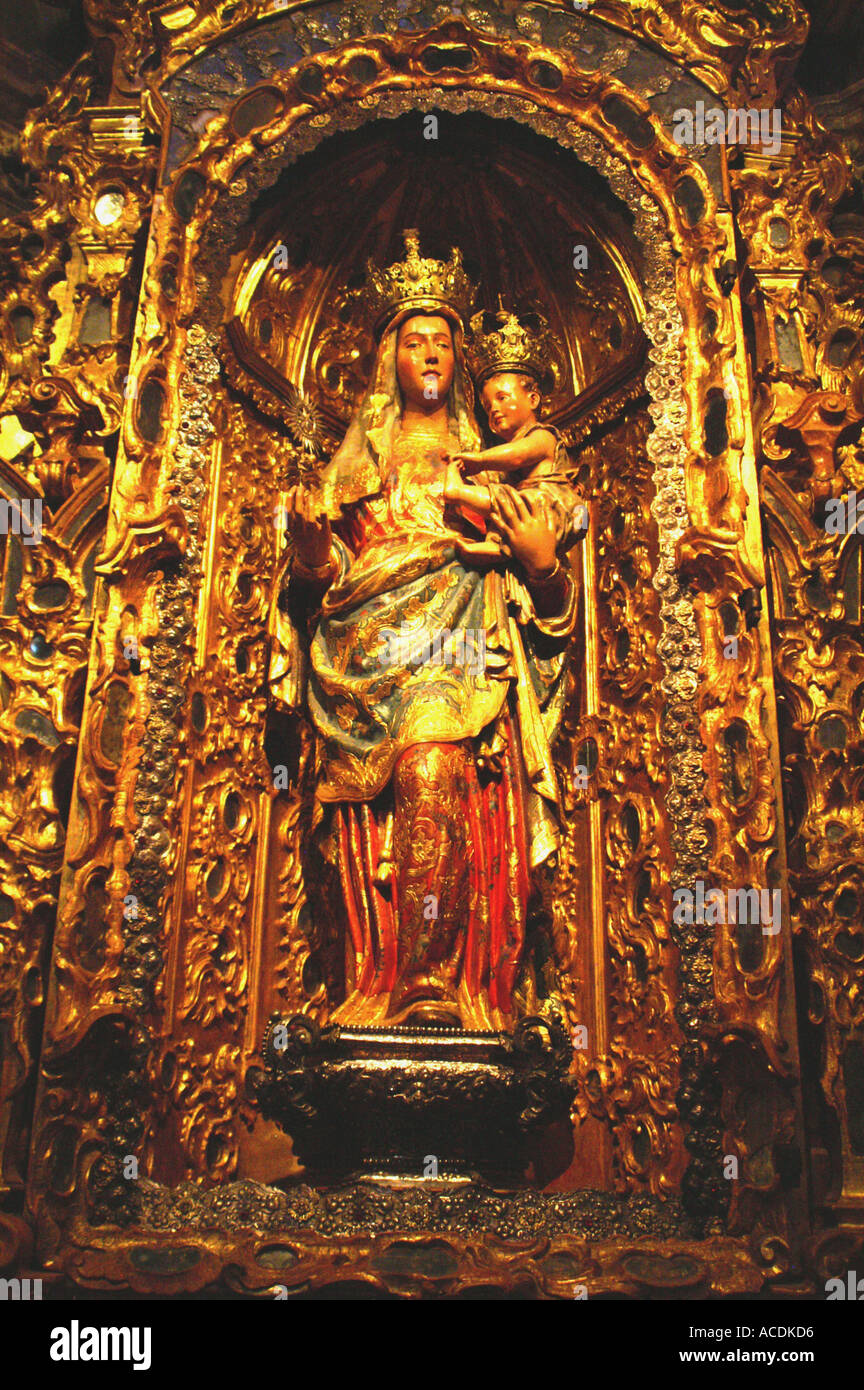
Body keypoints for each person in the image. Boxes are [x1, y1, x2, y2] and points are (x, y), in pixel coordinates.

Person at [269, 233, 580, 1030]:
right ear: (390, 358)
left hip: (464, 651)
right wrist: (310, 556)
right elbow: (326, 572)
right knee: (380, 799)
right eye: (415, 340)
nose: (431, 353)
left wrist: (542, 569)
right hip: (366, 654)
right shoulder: (357, 458)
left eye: (444, 340)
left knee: (435, 767)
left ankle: (439, 982)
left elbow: (547, 616)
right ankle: (378, 981)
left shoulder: (493, 458)